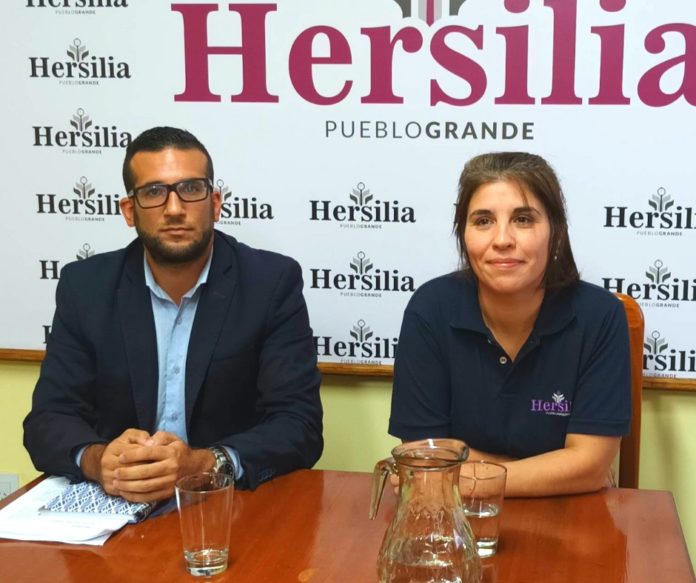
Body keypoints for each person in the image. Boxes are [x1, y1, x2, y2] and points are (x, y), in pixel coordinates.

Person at [24, 126, 323, 502]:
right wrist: (99, 461)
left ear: (215, 202)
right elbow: (48, 419)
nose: (174, 209)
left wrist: (205, 464)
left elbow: (299, 425)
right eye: (153, 192)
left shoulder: (269, 283)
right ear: (129, 211)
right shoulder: (85, 287)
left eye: (191, 189)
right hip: (116, 503)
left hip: (226, 504)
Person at [389, 152, 631, 497]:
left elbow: (590, 467)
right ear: (463, 234)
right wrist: (556, 470)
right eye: (483, 221)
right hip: (459, 518)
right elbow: (424, 456)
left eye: (523, 219)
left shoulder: (600, 316)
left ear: (556, 232)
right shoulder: (429, 309)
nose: (502, 239)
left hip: (570, 516)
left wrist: (461, 475)